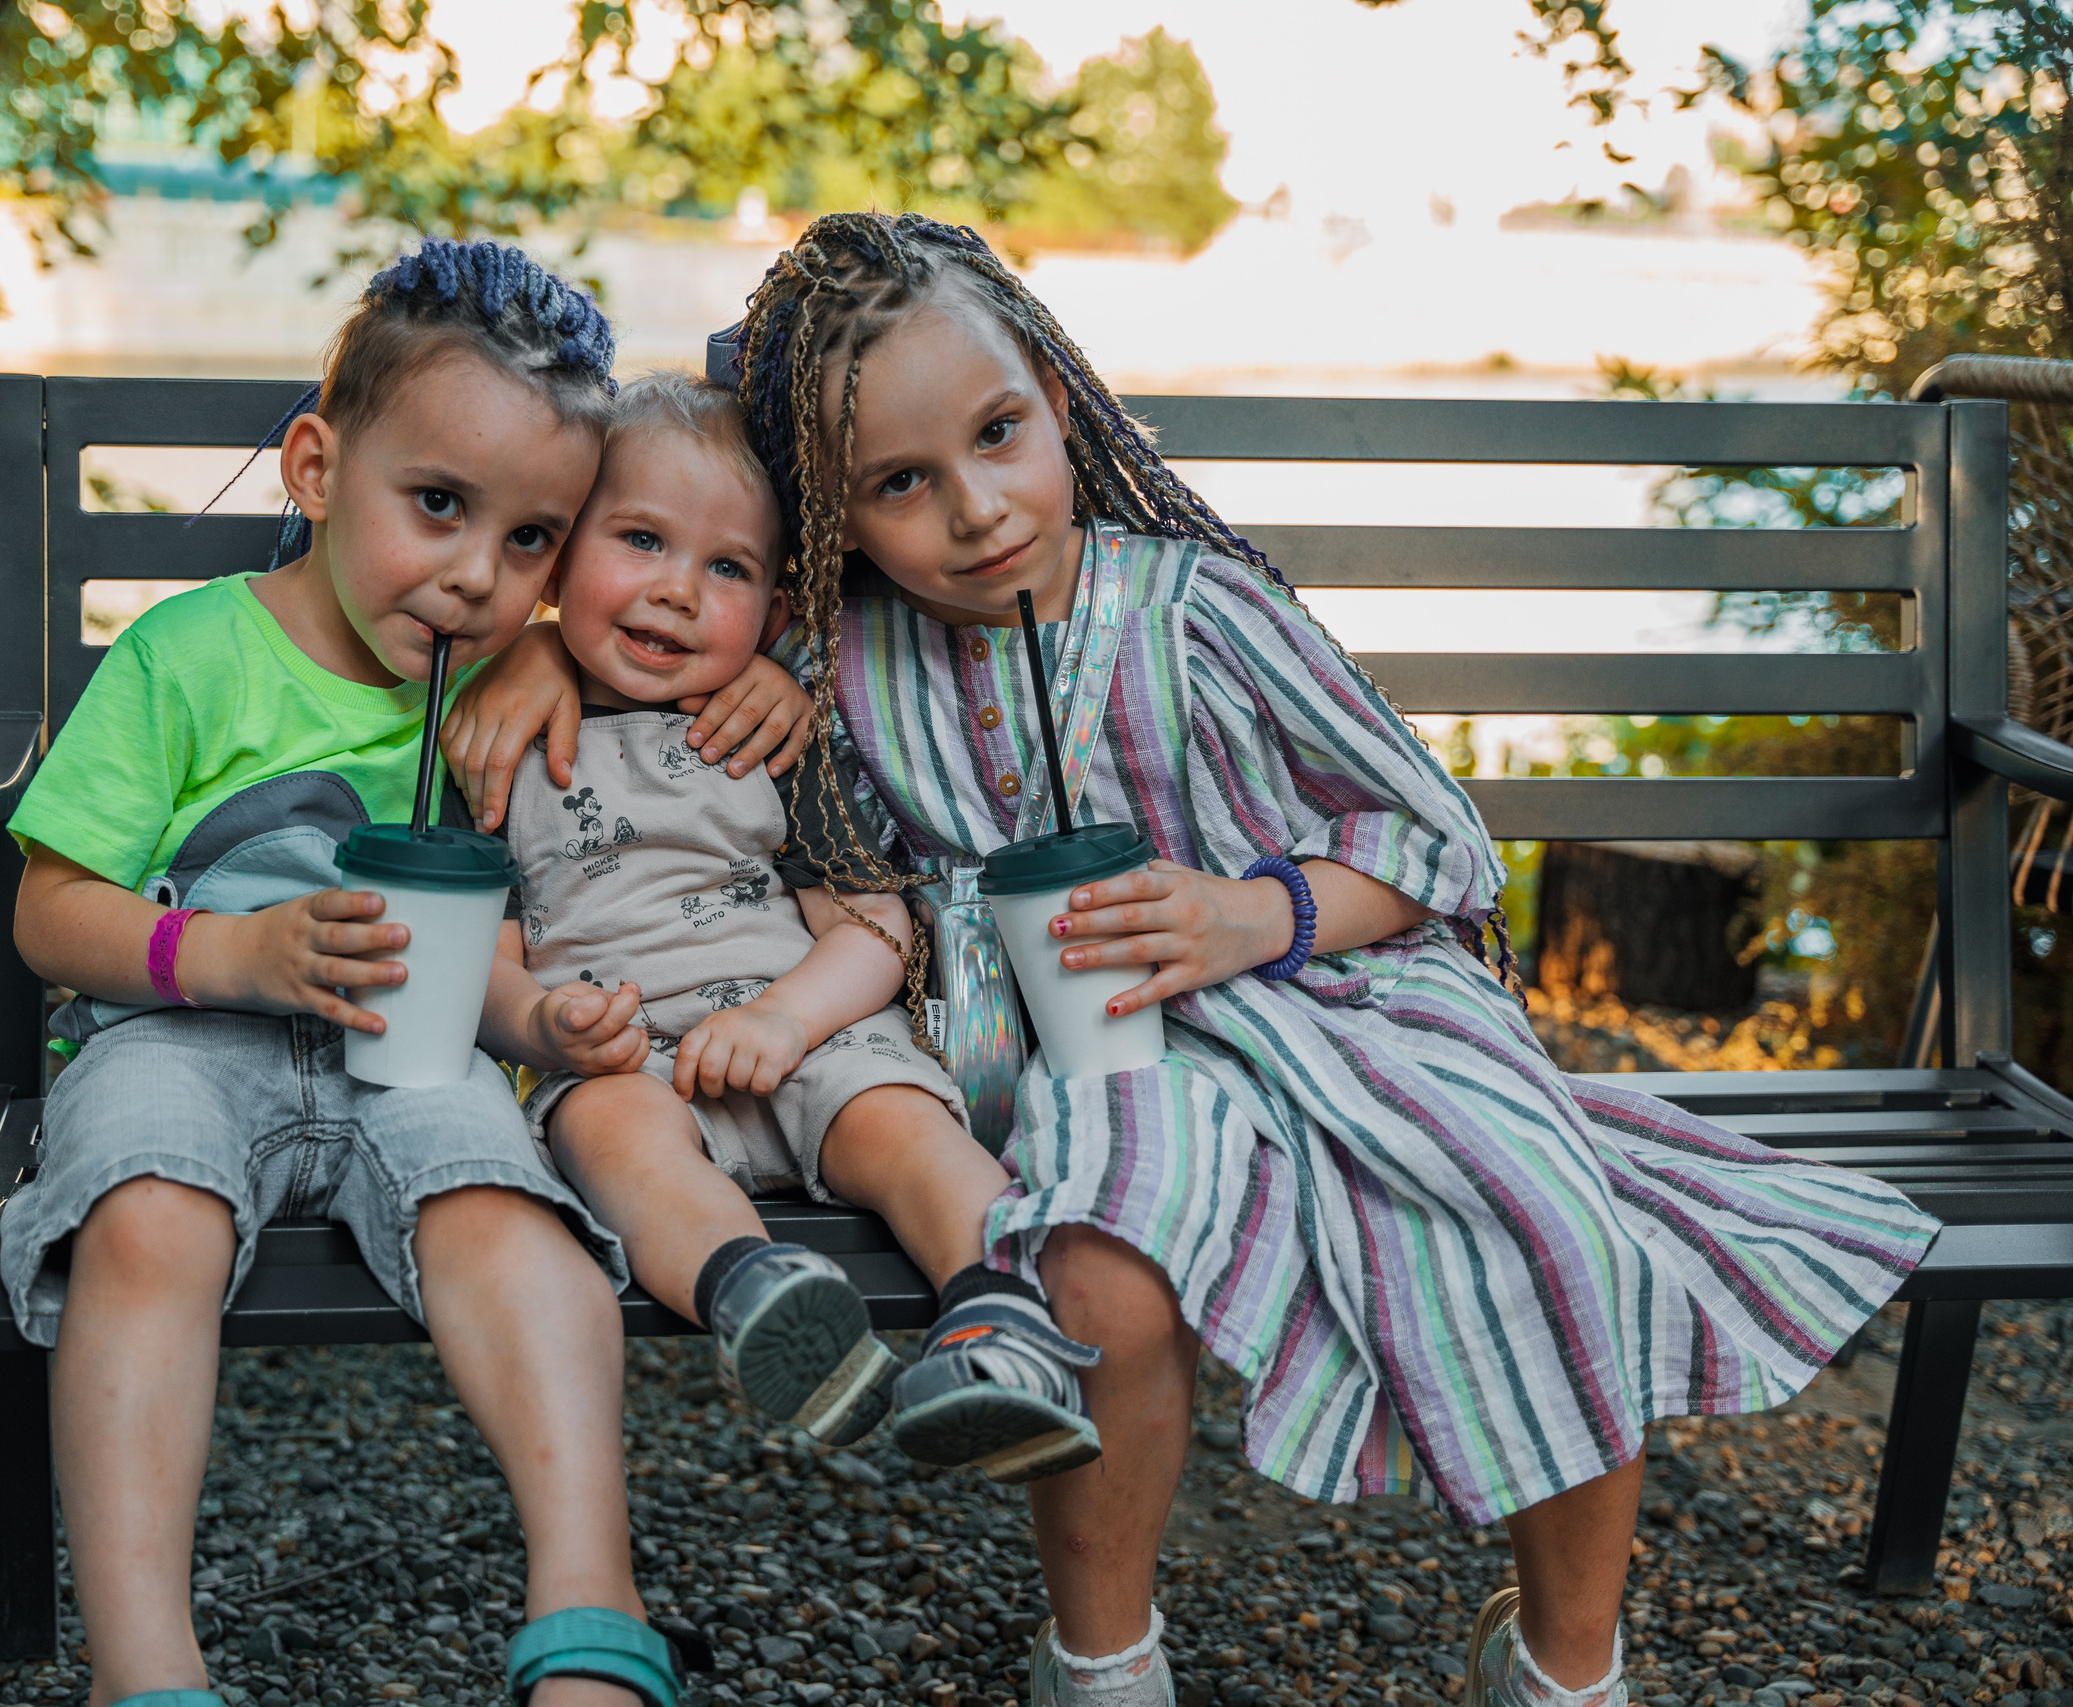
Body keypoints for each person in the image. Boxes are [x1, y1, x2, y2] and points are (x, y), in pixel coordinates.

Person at [452, 213, 1942, 1707]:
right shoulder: (835, 659)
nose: (976, 508)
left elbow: (1429, 840)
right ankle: (1101, 1662)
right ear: (835, 518)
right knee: (1100, 1254)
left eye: (999, 433)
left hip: (1341, 991)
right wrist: (539, 647)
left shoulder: (1197, 608)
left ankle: (1565, 1665)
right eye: (900, 483)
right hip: (1085, 1043)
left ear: (1058, 396)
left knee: (1552, 1214)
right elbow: (671, 559)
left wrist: (1253, 913)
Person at [0, 240, 686, 1707]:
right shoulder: (189, 657)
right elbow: (49, 913)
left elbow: (484, 946)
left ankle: (590, 1603)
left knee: (516, 1225)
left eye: (529, 540)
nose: (477, 575)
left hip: (415, 1052)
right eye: (438, 504)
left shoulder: (496, 698)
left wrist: (541, 1017)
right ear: (316, 468)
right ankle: (148, 1670)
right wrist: (230, 951)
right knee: (144, 1221)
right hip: (173, 1034)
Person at [473, 370, 1104, 1480]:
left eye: (727, 567)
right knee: (612, 1137)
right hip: (626, 1054)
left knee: (906, 1131)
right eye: (640, 540)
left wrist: (785, 1019)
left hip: (809, 1030)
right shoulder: (500, 740)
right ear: (558, 559)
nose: (677, 591)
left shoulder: (768, 734)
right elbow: (482, 960)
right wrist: (540, 1025)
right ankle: (766, 1299)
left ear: (773, 615)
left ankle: (1004, 1325)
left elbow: (875, 925)